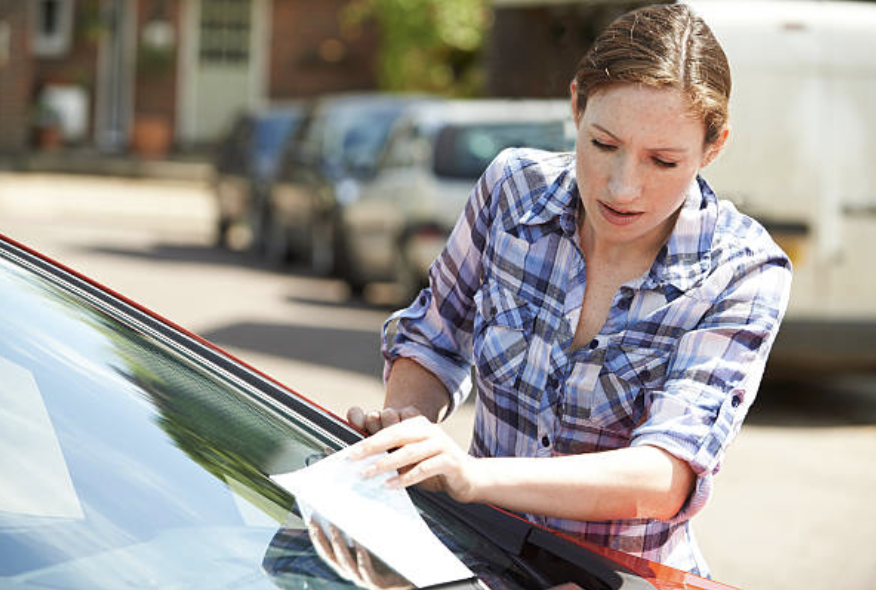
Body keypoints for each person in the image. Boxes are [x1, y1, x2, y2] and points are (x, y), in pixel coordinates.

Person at [346, 3, 792, 578]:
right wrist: (405, 431)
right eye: (604, 144)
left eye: (663, 160)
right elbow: (433, 336)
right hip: (479, 556)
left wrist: (474, 477)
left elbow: (665, 475)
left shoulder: (745, 270)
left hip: (619, 576)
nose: (623, 186)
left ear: (713, 148)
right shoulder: (511, 190)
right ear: (577, 104)